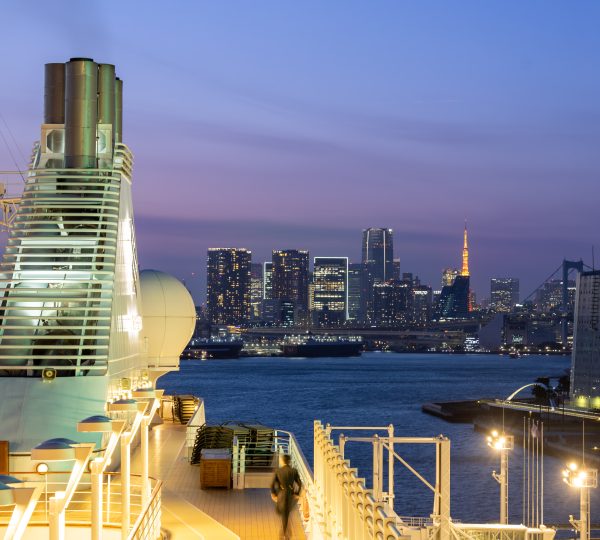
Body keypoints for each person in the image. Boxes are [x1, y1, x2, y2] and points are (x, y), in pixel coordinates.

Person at [270, 453, 302, 539]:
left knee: (283, 514)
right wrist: (296, 493)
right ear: (289, 461)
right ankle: (285, 534)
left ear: (283, 461)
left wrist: (274, 494)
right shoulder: (293, 471)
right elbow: (299, 483)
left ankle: (284, 534)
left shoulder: (278, 471)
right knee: (286, 514)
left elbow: (272, 484)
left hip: (281, 494)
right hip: (290, 494)